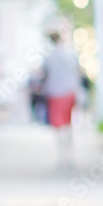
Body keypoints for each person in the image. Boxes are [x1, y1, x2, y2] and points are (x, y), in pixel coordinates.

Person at [40, 30, 82, 167]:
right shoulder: (69, 55)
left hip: (55, 93)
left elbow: (44, 76)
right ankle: (69, 155)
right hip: (69, 92)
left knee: (58, 126)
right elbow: (77, 73)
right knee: (68, 124)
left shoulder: (48, 57)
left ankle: (61, 156)